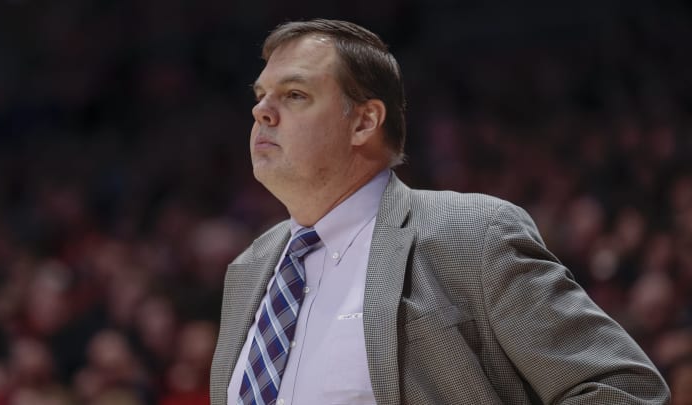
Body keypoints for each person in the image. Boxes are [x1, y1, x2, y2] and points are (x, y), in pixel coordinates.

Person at [209, 19, 670, 405]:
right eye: (261, 94)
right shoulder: (248, 269)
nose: (261, 111)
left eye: (294, 95)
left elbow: (624, 390)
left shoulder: (470, 235)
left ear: (365, 121)